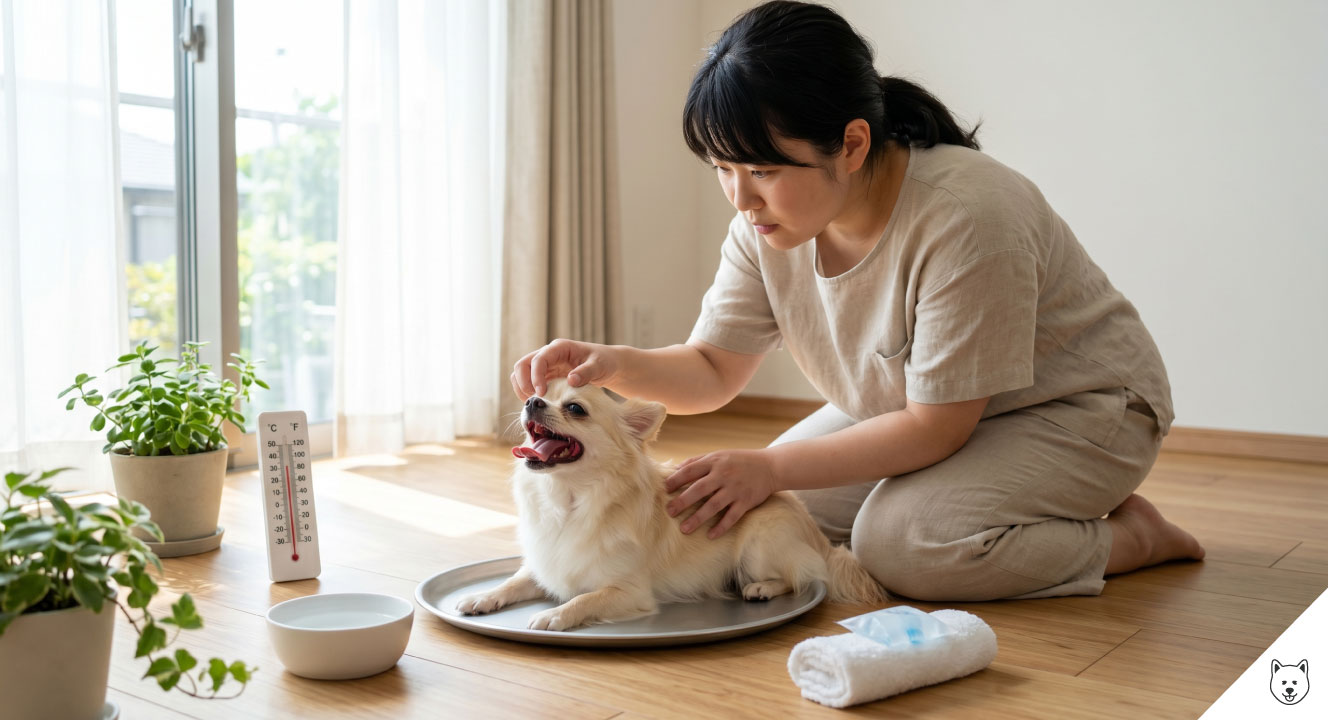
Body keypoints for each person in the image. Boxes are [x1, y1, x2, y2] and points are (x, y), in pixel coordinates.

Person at [511, 0, 1204, 601]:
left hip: (1078, 409)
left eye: (762, 169)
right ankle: (984, 509)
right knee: (758, 515)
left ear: (851, 144)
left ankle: (1132, 539)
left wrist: (771, 465)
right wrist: (609, 363)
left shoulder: (968, 213)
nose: (741, 197)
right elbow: (713, 370)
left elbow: (938, 429)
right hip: (919, 408)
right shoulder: (765, 226)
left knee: (902, 547)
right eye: (723, 169)